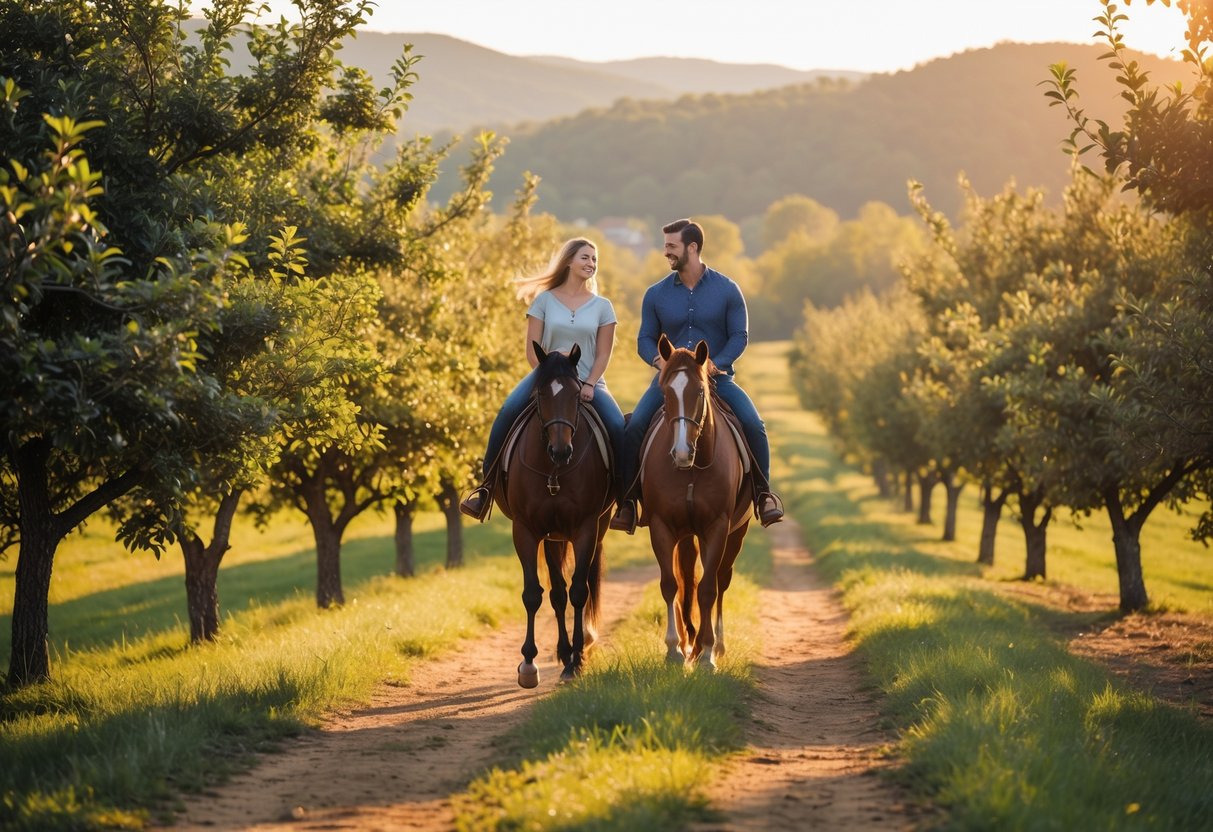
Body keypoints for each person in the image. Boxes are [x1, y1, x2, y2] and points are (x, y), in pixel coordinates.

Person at [609, 218, 784, 533]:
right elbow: (645, 339)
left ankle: (763, 496)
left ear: (692, 247)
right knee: (633, 426)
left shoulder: (727, 289)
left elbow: (739, 336)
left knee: (754, 425)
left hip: (716, 380)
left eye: (671, 246)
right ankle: (628, 503)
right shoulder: (655, 294)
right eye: (666, 247)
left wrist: (713, 366)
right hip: (670, 382)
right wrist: (659, 363)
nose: (666, 253)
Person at [460, 238, 626, 520]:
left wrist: (589, 384)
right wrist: (548, 374)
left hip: (588, 381)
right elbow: (532, 349)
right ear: (569, 261)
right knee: (506, 413)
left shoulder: (603, 306)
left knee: (619, 428)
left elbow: (602, 354)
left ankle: (626, 501)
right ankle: (485, 489)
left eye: (594, 260)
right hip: (545, 380)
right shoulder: (544, 301)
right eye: (585, 258)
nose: (591, 264)